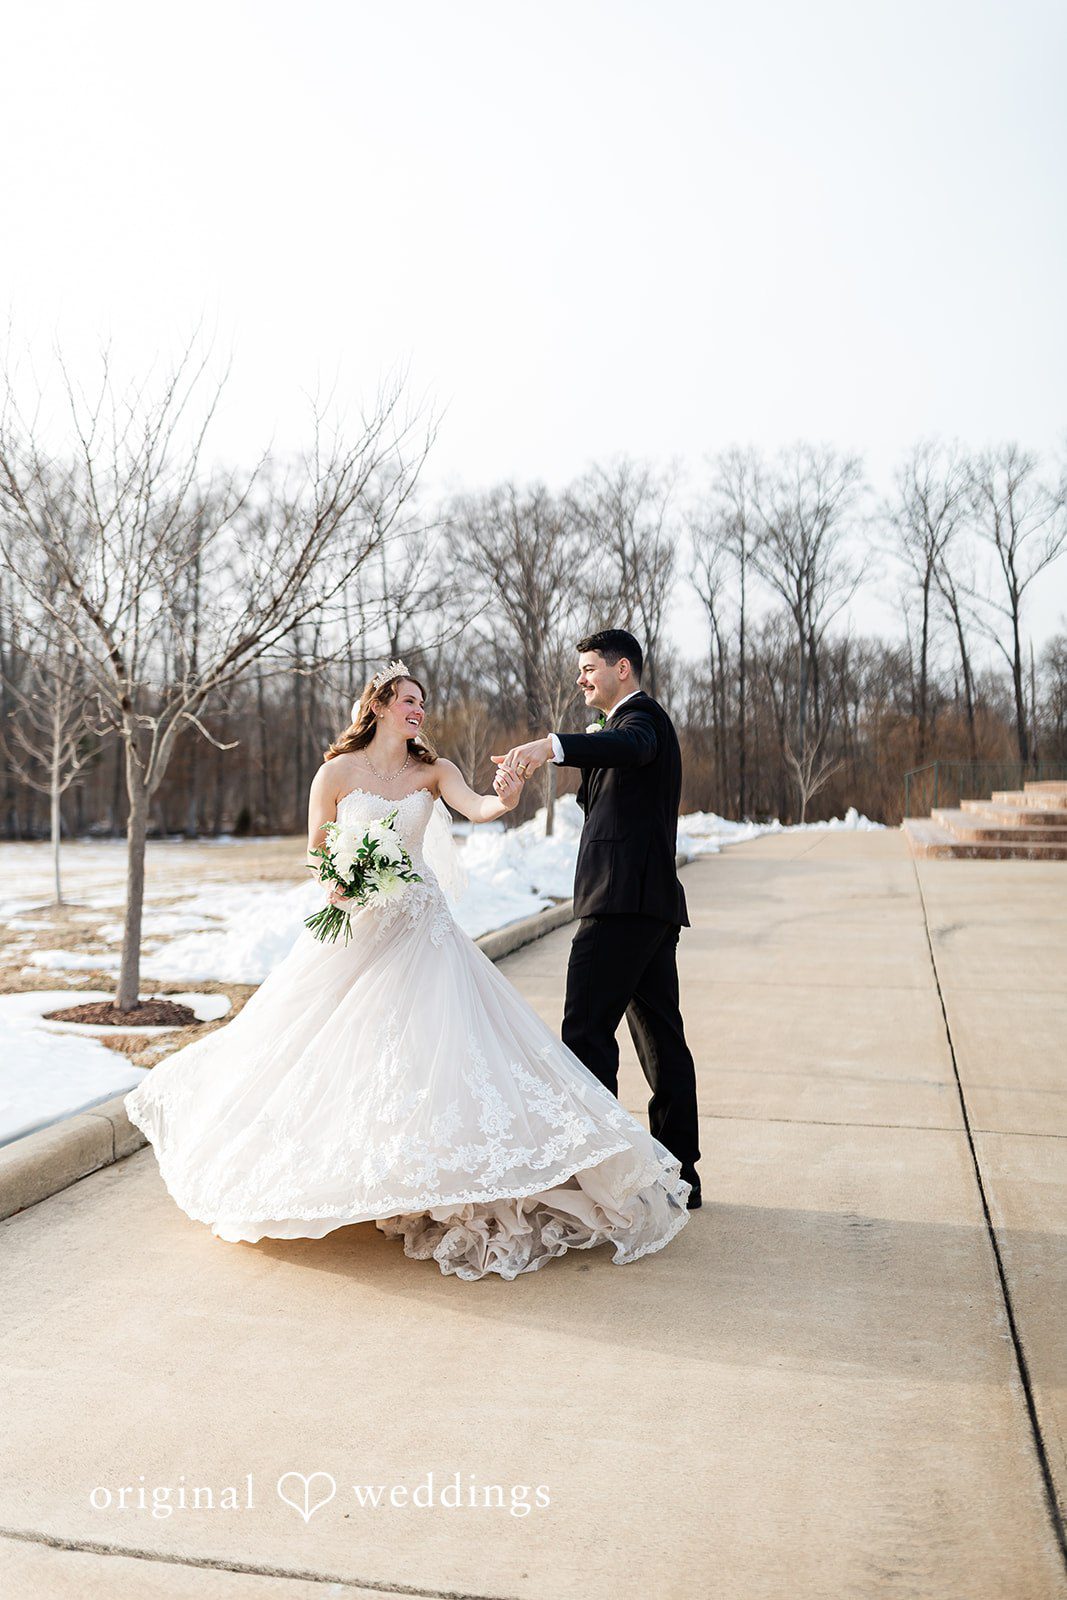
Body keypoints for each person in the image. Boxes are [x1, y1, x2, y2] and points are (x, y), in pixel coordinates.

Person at [123, 660, 692, 1281]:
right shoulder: (336, 773)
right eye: (407, 699)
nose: (418, 709)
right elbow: (317, 846)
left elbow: (481, 809)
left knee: (434, 1053)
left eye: (422, 700)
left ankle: (432, 1176)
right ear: (379, 706)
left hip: (424, 932)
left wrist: (509, 788)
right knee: (338, 1049)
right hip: (361, 930)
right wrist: (340, 880)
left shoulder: (435, 771)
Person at [493, 629, 702, 1209]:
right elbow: (611, 794)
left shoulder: (644, 721)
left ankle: (598, 1171)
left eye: (590, 668)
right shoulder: (616, 732)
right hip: (646, 905)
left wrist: (551, 747)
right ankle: (680, 1174)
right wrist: (563, 762)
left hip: (620, 906)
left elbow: (630, 749)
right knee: (661, 1039)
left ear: (624, 670)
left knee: (585, 1033)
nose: (582, 678)